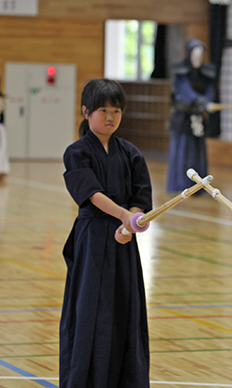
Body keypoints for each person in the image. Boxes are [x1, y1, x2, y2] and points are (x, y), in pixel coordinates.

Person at [59, 79, 153, 388]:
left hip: (123, 242)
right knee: (90, 310)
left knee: (125, 309)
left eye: (116, 110)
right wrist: (124, 216)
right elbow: (91, 194)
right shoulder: (76, 153)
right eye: (103, 110)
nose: (110, 117)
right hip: (92, 238)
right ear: (86, 112)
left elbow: (141, 198)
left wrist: (134, 221)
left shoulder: (130, 153)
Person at [166, 38, 216, 192]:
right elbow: (184, 91)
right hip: (182, 118)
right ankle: (180, 184)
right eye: (195, 55)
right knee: (182, 150)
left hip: (198, 118)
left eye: (200, 56)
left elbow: (210, 91)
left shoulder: (206, 74)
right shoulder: (181, 74)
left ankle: (198, 186)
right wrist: (198, 101)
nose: (197, 59)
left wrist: (207, 102)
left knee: (198, 151)